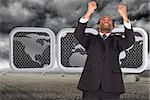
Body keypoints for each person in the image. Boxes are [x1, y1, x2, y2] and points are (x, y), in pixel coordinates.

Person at [74, 1, 135, 100]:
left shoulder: (117, 40)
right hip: (91, 84)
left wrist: (125, 17)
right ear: (98, 25)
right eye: (103, 20)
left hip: (112, 85)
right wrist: (89, 12)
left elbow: (130, 40)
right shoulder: (90, 39)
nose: (106, 21)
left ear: (113, 27)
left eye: (109, 20)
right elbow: (78, 34)